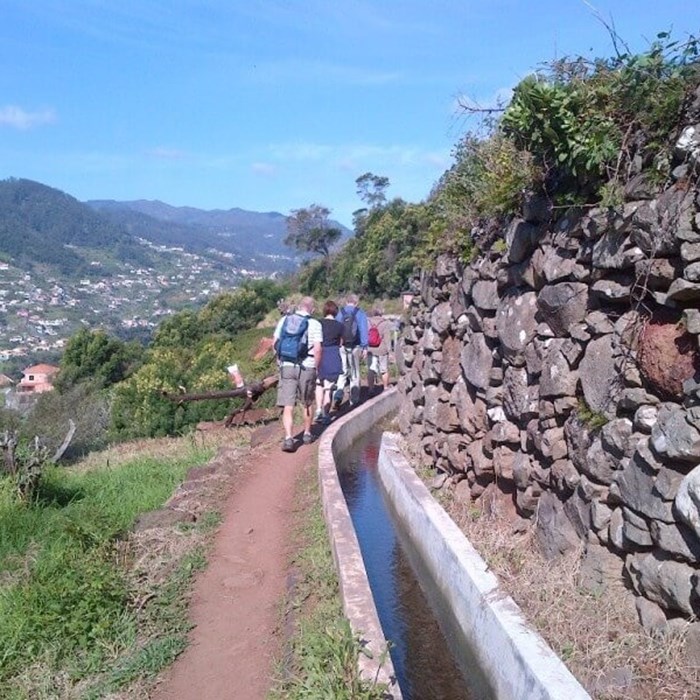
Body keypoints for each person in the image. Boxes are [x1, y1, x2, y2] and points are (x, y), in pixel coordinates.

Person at [272, 296, 322, 452]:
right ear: (312, 309)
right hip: (307, 366)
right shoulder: (314, 324)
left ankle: (288, 438)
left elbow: (275, 343)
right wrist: (317, 367)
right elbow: (318, 349)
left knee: (288, 405)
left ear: (300, 306)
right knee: (307, 402)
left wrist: (279, 362)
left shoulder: (284, 320)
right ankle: (307, 434)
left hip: (286, 365)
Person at [334, 293, 369, 407]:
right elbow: (363, 330)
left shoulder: (340, 313)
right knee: (354, 373)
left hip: (342, 346)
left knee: (342, 371)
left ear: (346, 302)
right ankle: (354, 400)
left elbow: (336, 329)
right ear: (356, 302)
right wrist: (365, 347)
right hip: (355, 346)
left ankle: (338, 393)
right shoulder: (360, 313)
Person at [314, 299, 344, 424]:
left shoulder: (318, 323)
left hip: (320, 353)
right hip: (332, 354)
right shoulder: (339, 326)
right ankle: (326, 414)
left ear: (324, 311)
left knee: (319, 384)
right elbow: (341, 343)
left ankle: (318, 410)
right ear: (336, 312)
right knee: (329, 388)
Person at [367, 307, 393, 394]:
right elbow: (387, 338)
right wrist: (390, 351)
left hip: (370, 349)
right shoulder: (385, 323)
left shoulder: (368, 322)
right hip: (382, 349)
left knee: (371, 369)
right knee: (384, 369)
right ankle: (385, 387)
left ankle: (371, 389)